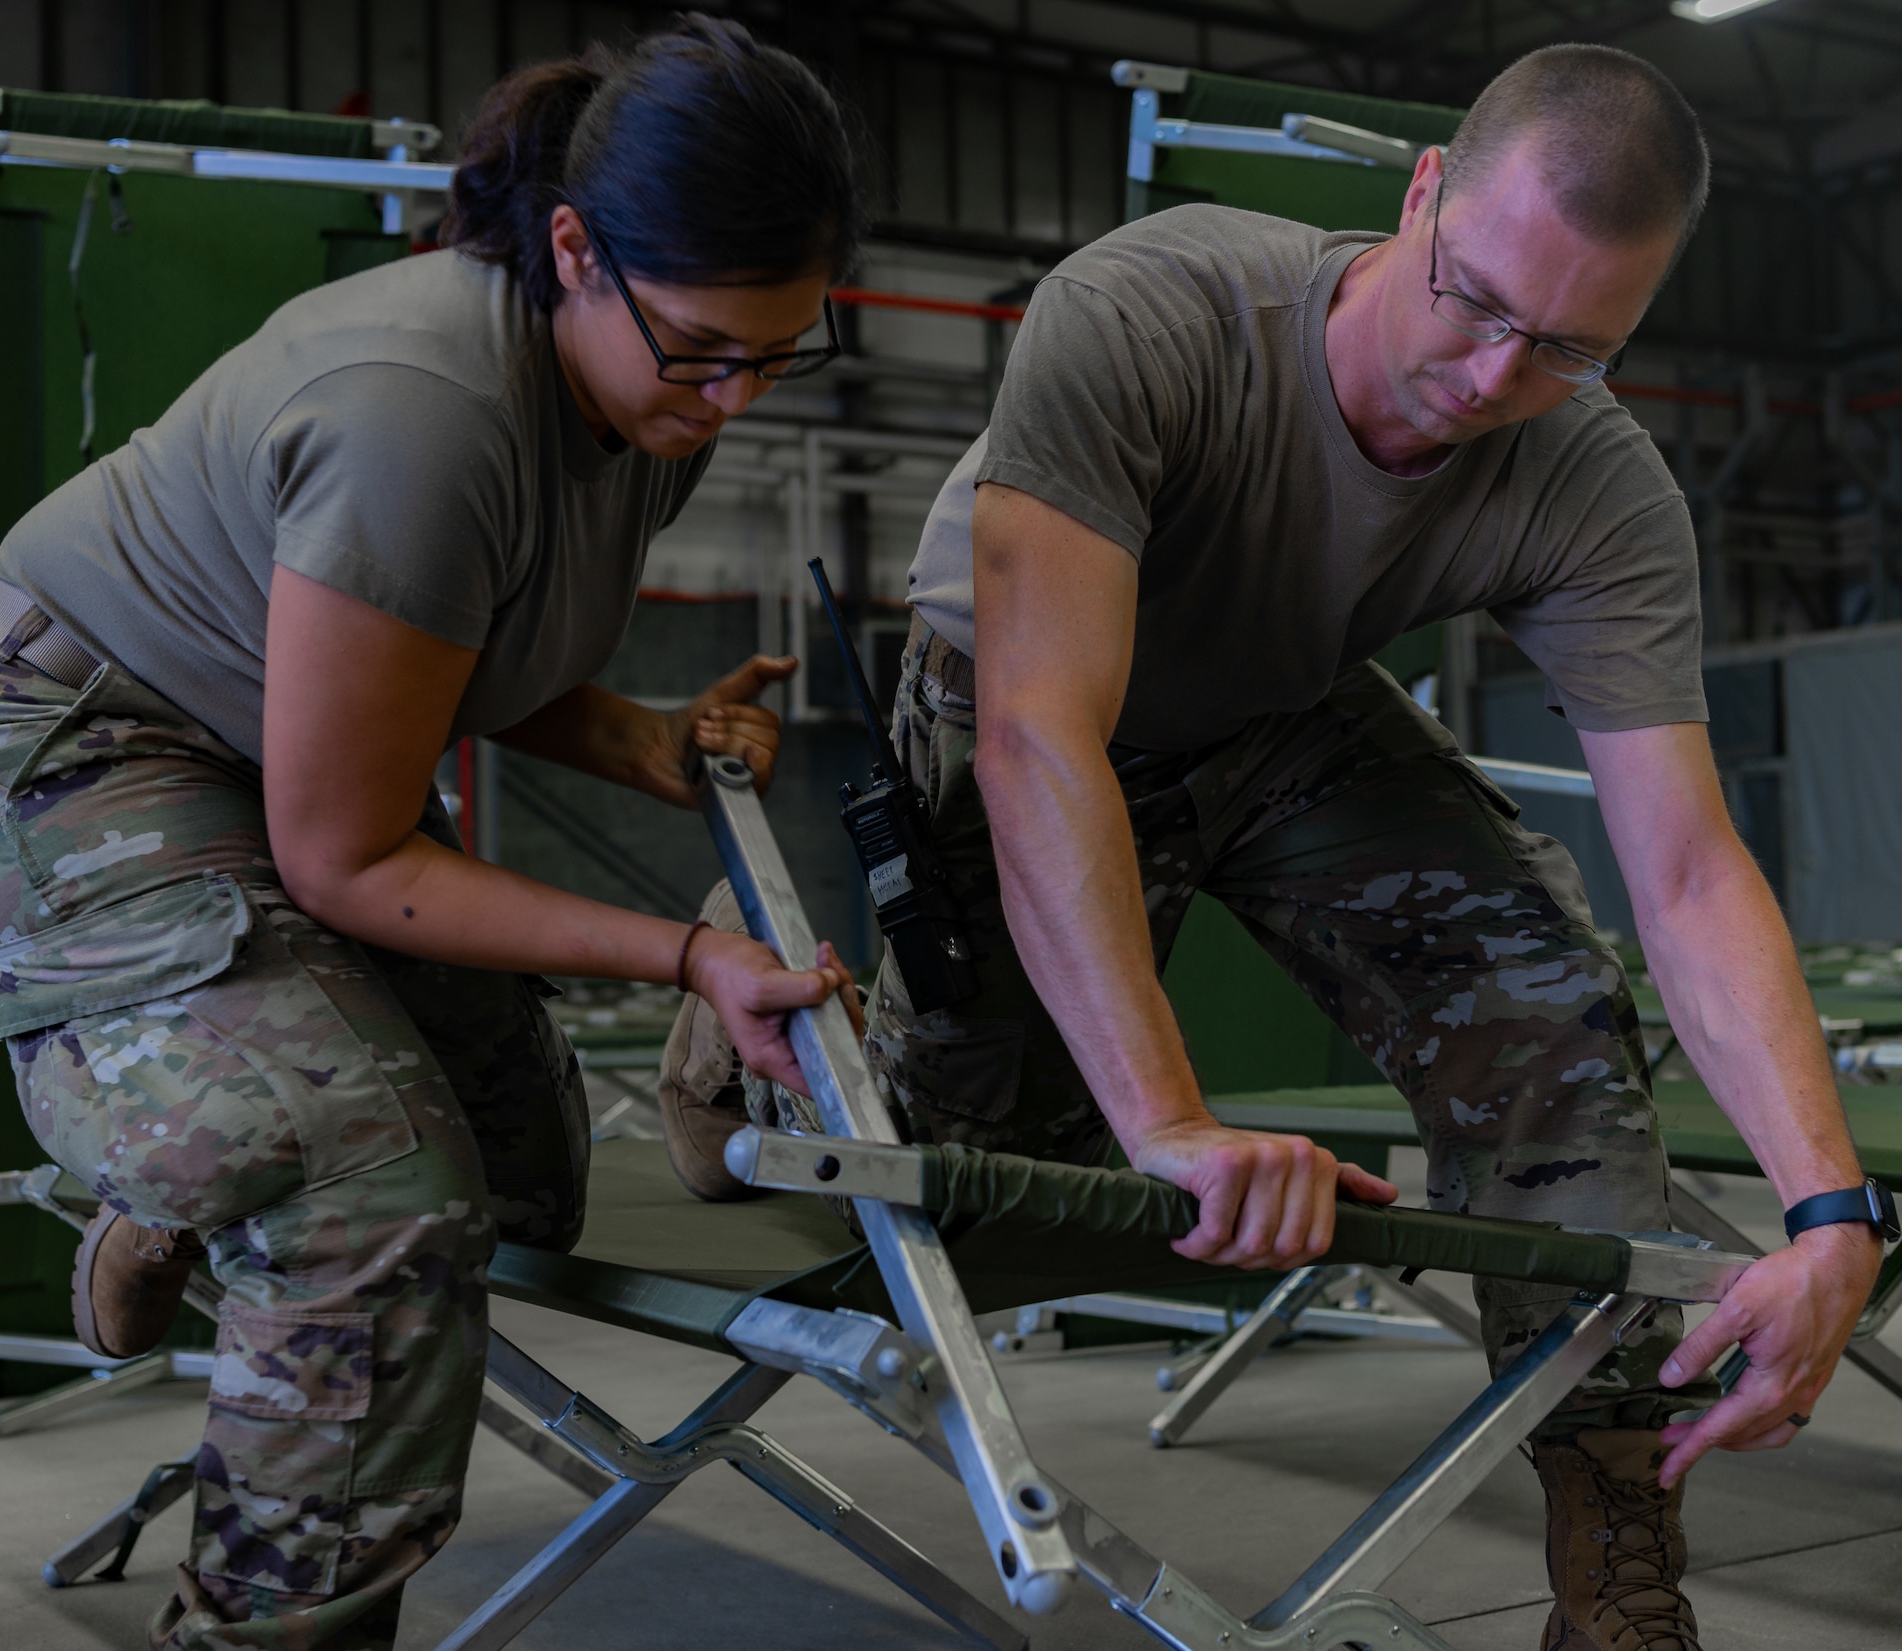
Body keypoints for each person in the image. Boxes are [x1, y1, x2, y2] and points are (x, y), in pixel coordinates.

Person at [661, 45, 1889, 1651]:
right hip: (1024, 697)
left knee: (1551, 1020)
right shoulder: (1154, 316)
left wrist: (1829, 1212)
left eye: (1571, 349)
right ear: (1423, 192)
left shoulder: (1597, 486)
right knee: (971, 1187)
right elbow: (1043, 739)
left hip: (1287, 711)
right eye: (1476, 301)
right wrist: (1167, 1122)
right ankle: (742, 1047)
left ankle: (1615, 1556)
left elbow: (1687, 870)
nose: (1492, 376)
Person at [0, 19, 866, 1650]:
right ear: (574, 249)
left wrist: (636, 730)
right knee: (373, 1201)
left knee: (522, 1177)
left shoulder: (644, 394)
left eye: (783, 354)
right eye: (706, 348)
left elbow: (462, 649)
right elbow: (349, 856)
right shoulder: (418, 409)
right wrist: (692, 954)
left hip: (269, 751)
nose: (735, 397)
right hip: (77, 750)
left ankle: (201, 1173)